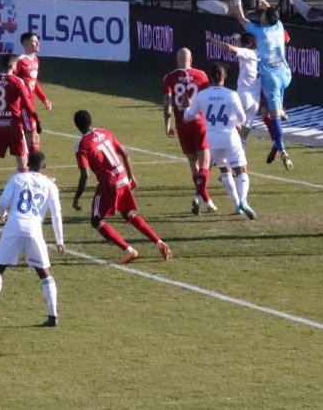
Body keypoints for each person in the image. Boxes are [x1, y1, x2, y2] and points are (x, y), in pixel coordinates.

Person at [71, 110, 172, 265]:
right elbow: (125, 152)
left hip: (109, 184)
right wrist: (131, 177)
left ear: (77, 126)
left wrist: (76, 198)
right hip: (122, 177)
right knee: (129, 214)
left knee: (96, 220)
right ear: (91, 121)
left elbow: (85, 175)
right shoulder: (104, 132)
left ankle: (128, 250)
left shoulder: (82, 145)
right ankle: (159, 242)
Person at [0, 151, 65, 328]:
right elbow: (56, 214)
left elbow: (3, 202)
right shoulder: (50, 185)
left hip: (13, 226)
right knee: (44, 272)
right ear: (44, 167)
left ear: (27, 165)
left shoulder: (17, 178)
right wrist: (59, 240)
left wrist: (2, 214)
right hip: (34, 229)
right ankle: (53, 315)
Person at [230, 0, 294, 171]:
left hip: (272, 78)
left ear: (265, 20)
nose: (262, 15)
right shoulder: (279, 26)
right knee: (268, 111)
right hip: (285, 73)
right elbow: (270, 10)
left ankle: (282, 149)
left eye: (263, 15)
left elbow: (241, 18)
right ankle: (279, 110)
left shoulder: (260, 32)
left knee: (272, 115)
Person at [183, 63, 256, 219]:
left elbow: (187, 117)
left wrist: (188, 107)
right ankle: (242, 200)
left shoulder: (202, 95)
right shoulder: (231, 95)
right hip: (230, 137)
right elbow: (242, 118)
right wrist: (235, 121)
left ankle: (237, 206)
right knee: (242, 171)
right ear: (225, 77)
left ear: (210, 77)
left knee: (225, 170)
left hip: (211, 140)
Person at [0, 54, 41, 209]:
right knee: (22, 164)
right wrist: (36, 120)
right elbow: (28, 104)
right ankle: (25, 197)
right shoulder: (17, 82)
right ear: (13, 66)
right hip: (14, 127)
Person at [162, 47, 216, 214]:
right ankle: (198, 197)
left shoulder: (169, 78)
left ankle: (207, 201)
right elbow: (209, 100)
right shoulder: (201, 76)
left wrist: (167, 124)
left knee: (194, 166)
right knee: (205, 164)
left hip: (182, 125)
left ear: (177, 60)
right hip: (199, 123)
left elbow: (167, 101)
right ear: (191, 60)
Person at [14, 31, 53, 153]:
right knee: (32, 133)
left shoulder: (35, 60)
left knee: (29, 134)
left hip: (31, 104)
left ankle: (30, 160)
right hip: (22, 105)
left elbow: (34, 83)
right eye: (34, 41)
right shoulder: (20, 61)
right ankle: (34, 162)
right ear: (25, 43)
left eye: (38, 41)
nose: (38, 43)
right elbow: (11, 80)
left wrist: (44, 99)